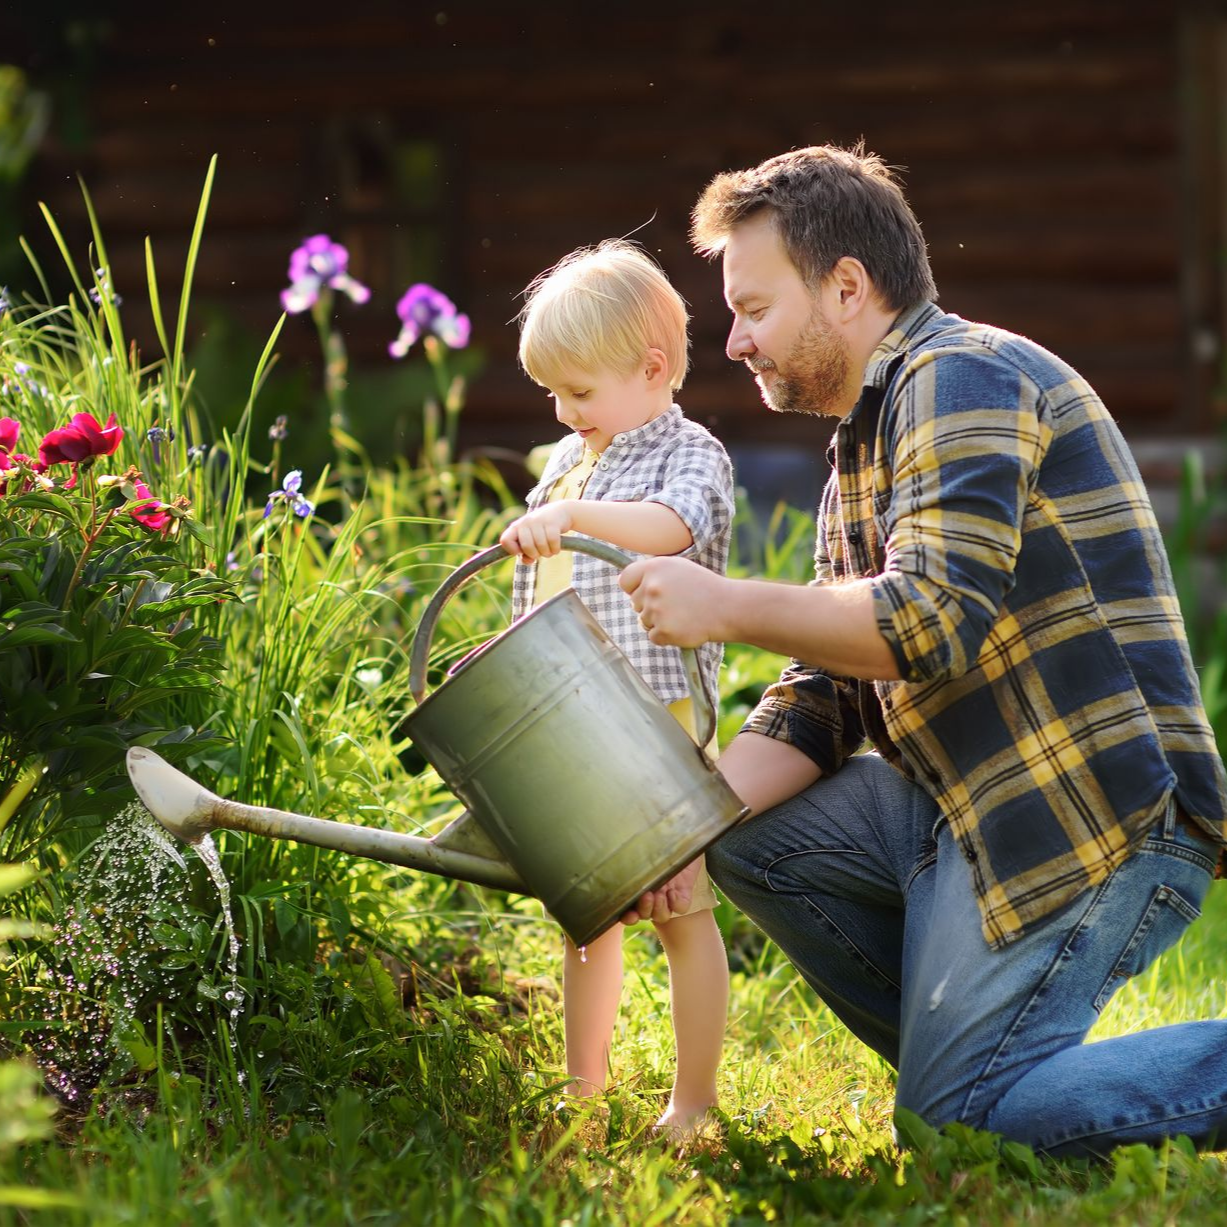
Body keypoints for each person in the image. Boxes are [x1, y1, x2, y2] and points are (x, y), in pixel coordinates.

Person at [618, 144, 1227, 1157]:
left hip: (1090, 811)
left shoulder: (963, 375)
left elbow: (929, 620)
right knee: (744, 837)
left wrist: (723, 605)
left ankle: (981, 1091)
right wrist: (673, 830)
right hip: (963, 805)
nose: (734, 343)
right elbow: (827, 696)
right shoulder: (858, 455)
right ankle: (996, 1068)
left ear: (846, 287)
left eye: (755, 310)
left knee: (955, 1130)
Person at [498, 239, 735, 1137]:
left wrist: (568, 516)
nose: (564, 412)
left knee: (681, 913)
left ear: (650, 368)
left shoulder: (690, 454)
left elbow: (671, 531)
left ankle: (693, 1102)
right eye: (553, 395)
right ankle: (583, 1089)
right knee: (585, 918)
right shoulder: (569, 460)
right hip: (572, 726)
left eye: (580, 392)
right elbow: (546, 590)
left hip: (657, 727)